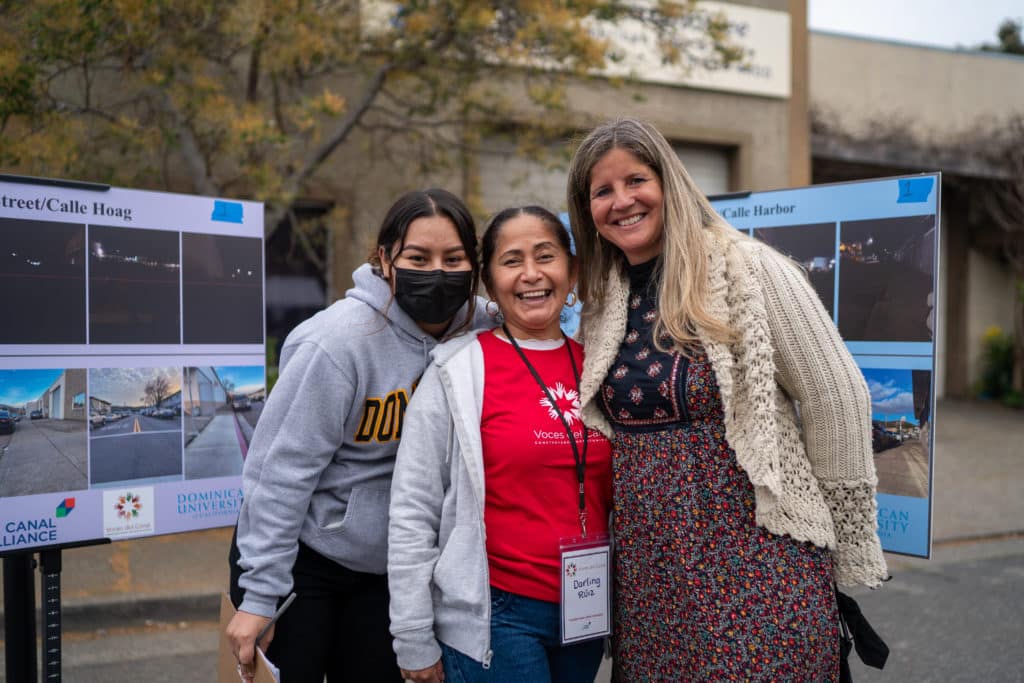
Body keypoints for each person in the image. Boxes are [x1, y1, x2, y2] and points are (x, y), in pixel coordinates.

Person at [565, 118, 888, 681]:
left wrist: (846, 538)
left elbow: (836, 397)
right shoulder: (604, 298)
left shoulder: (749, 268)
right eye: (602, 191)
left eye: (635, 180)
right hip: (654, 576)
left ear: (669, 182)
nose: (622, 201)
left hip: (757, 559)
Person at [226, 188, 489, 683]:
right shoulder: (336, 343)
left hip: (391, 570)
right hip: (304, 562)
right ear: (385, 258)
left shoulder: (481, 329)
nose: (437, 272)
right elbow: (280, 474)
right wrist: (260, 594)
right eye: (418, 257)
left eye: (453, 259)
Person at [388, 206, 614, 683]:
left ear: (571, 273)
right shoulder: (457, 372)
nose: (531, 274)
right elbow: (413, 510)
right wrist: (412, 637)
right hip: (497, 613)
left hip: (586, 608)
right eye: (512, 261)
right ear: (490, 285)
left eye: (545, 256)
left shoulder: (601, 369)